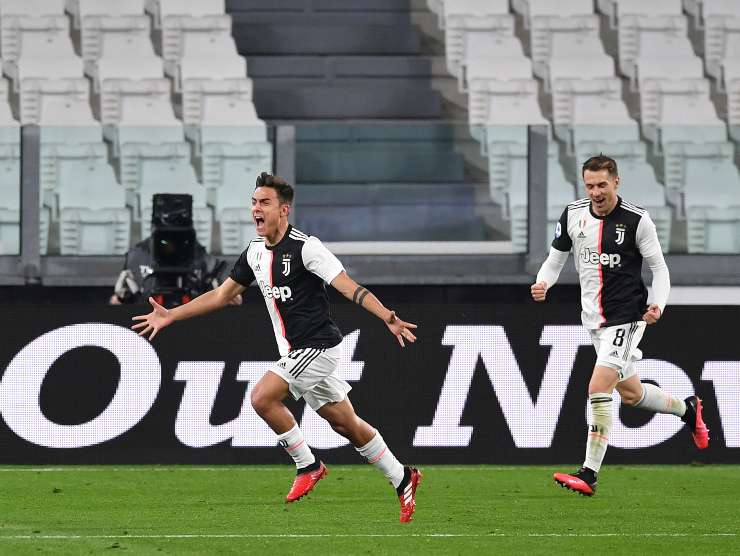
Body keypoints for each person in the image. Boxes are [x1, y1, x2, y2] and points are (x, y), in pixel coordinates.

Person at [132, 172, 422, 522]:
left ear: (283, 210)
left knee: (261, 397)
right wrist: (171, 316)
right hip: (295, 353)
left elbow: (348, 286)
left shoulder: (306, 248)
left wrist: (386, 316)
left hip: (319, 347)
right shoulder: (254, 252)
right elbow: (223, 294)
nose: (256, 208)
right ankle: (402, 476)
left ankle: (308, 465)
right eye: (254, 202)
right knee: (346, 423)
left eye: (264, 202)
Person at [530, 154, 709, 496]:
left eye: (602, 184)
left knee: (598, 387)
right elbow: (555, 260)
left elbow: (660, 270)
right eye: (590, 185)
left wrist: (658, 303)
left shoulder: (637, 220)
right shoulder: (573, 215)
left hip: (626, 318)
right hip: (593, 321)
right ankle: (688, 409)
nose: (596, 192)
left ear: (616, 182)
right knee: (632, 395)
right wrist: (543, 283)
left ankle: (589, 473)